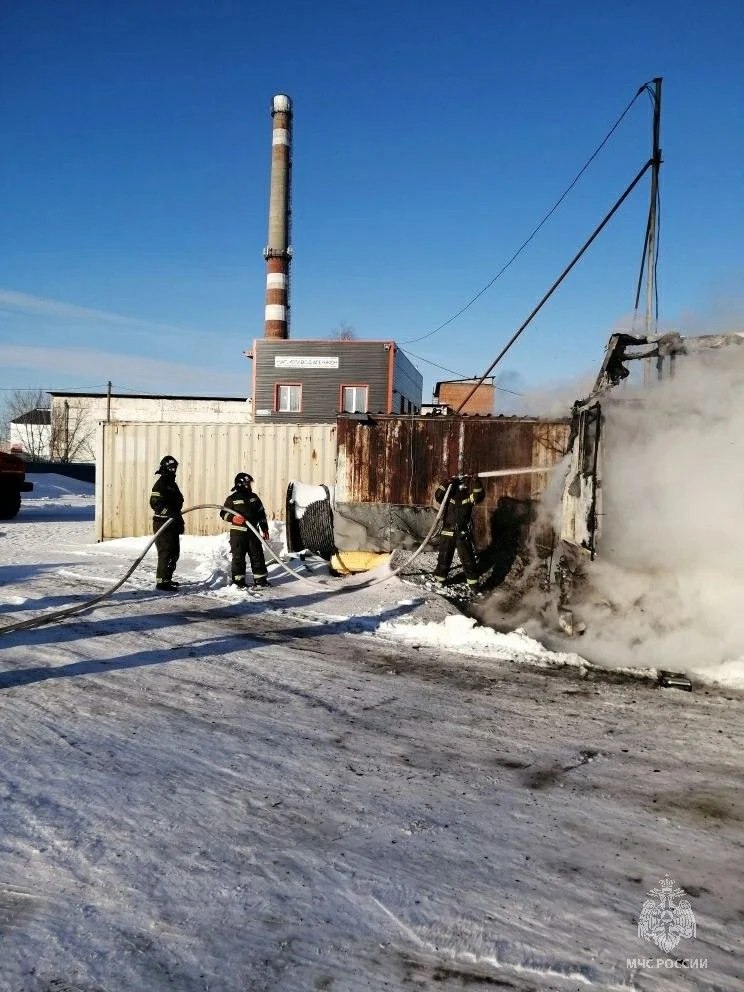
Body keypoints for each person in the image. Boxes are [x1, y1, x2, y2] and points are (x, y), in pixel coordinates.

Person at [432, 474, 485, 591]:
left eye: (465, 485)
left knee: (468, 559)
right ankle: (440, 580)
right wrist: (446, 482)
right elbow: (438, 496)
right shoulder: (448, 497)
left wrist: (476, 481)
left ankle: (474, 585)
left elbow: (479, 495)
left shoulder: (469, 499)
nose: (463, 487)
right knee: (444, 558)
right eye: (461, 485)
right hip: (448, 532)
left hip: (462, 534)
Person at [220, 472, 271, 588]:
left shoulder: (254, 497)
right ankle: (239, 582)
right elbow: (223, 513)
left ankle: (261, 580)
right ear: (240, 484)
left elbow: (261, 514)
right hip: (238, 534)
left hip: (253, 533)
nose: (249, 486)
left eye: (250, 483)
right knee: (238, 558)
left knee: (257, 556)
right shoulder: (232, 498)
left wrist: (265, 529)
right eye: (247, 484)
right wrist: (233, 518)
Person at [149, 455, 185, 592]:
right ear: (164, 467)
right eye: (170, 467)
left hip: (172, 523)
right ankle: (161, 582)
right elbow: (154, 503)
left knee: (174, 552)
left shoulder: (172, 484)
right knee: (166, 552)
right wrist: (168, 512)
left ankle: (167, 578)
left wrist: (179, 521)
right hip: (162, 522)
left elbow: (177, 504)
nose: (173, 469)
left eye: (174, 467)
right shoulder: (161, 483)